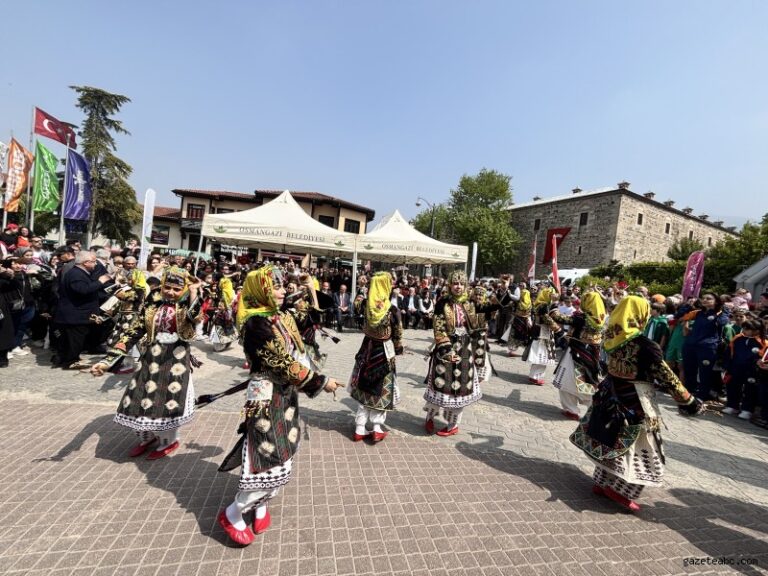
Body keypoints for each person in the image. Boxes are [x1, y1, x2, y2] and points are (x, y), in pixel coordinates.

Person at [217, 265, 340, 546]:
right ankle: (233, 513)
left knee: (283, 446)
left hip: (284, 395)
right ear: (261, 291)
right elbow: (284, 364)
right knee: (266, 453)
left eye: (283, 285)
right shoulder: (256, 324)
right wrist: (322, 382)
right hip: (265, 395)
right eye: (276, 286)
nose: (283, 290)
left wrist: (309, 286)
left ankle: (261, 505)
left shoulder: (280, 315)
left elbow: (312, 317)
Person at [570, 296, 704, 512]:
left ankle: (602, 482)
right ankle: (621, 490)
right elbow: (667, 376)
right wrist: (688, 400)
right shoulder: (644, 345)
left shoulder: (611, 336)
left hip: (610, 392)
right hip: (635, 400)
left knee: (610, 437)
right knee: (641, 445)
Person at [90, 267, 203, 460]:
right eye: (167, 287)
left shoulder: (187, 304)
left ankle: (169, 441)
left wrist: (193, 293)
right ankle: (147, 437)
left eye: (177, 289)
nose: (171, 292)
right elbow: (134, 330)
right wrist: (107, 361)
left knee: (167, 403)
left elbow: (195, 318)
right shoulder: (152, 302)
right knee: (141, 400)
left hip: (175, 361)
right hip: (150, 358)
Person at [423, 271, 499, 436]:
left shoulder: (470, 303)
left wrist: (502, 297)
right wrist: (446, 349)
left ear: (465, 286)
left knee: (460, 387)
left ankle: (453, 425)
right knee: (439, 384)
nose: (458, 287)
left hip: (464, 349)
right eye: (455, 283)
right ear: (450, 284)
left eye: (461, 284)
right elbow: (439, 327)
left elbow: (486, 311)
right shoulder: (442, 302)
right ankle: (430, 418)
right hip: (445, 350)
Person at [348, 272, 404, 442]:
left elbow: (355, 302)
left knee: (364, 386)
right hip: (384, 352)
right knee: (381, 388)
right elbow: (398, 335)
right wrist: (399, 349)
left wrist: (363, 288)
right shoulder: (392, 310)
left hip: (367, 349)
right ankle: (377, 428)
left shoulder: (365, 304)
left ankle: (360, 427)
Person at [550, 290, 607, 420]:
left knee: (567, 380)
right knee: (589, 379)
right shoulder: (601, 318)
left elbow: (557, 317)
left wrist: (554, 302)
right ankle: (591, 407)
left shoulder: (582, 318)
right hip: (592, 354)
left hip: (576, 352)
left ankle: (571, 409)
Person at [54, 251, 113, 369]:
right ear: (86, 263)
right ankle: (70, 361)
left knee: (72, 339)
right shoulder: (76, 274)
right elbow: (83, 290)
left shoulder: (81, 273)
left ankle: (66, 358)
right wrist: (100, 281)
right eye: (94, 261)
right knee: (75, 339)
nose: (96, 264)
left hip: (77, 313)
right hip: (75, 314)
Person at [680, 292, 729, 402]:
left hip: (707, 347)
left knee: (705, 373)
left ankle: (702, 396)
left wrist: (724, 311)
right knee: (689, 370)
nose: (705, 300)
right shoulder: (698, 313)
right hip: (690, 345)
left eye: (709, 298)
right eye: (703, 298)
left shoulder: (719, 313)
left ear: (716, 301)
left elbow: (722, 323)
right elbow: (679, 317)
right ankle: (689, 392)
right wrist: (687, 306)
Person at [721, 318, 766, 419]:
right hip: (735, 368)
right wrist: (727, 365)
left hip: (752, 371)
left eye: (747, 329)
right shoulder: (737, 338)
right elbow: (729, 352)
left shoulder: (763, 342)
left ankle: (747, 410)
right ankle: (732, 406)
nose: (744, 331)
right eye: (744, 328)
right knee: (733, 387)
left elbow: (763, 358)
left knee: (750, 390)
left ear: (757, 330)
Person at [523, 285, 559, 385]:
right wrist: (558, 329)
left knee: (540, 355)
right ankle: (536, 377)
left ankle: (533, 375)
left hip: (540, 332)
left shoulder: (540, 304)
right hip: (543, 333)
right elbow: (548, 319)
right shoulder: (544, 306)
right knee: (542, 355)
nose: (553, 296)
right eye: (551, 295)